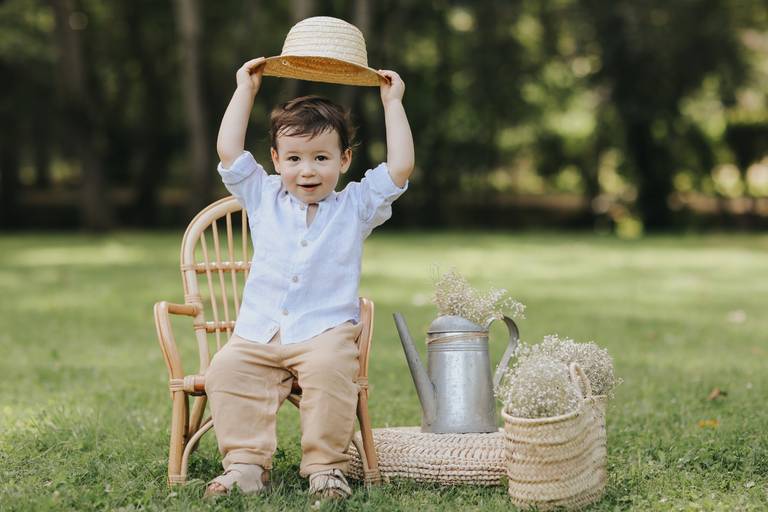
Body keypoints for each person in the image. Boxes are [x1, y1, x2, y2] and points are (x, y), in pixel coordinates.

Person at [203, 57, 414, 500]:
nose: (308, 170)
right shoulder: (262, 196)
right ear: (276, 160)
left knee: (332, 371)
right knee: (226, 368)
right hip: (260, 331)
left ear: (345, 159)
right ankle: (245, 465)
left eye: (321, 158)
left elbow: (399, 169)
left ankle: (325, 468)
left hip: (324, 330)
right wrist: (246, 90)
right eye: (294, 158)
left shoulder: (355, 207)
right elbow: (227, 151)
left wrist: (392, 104)